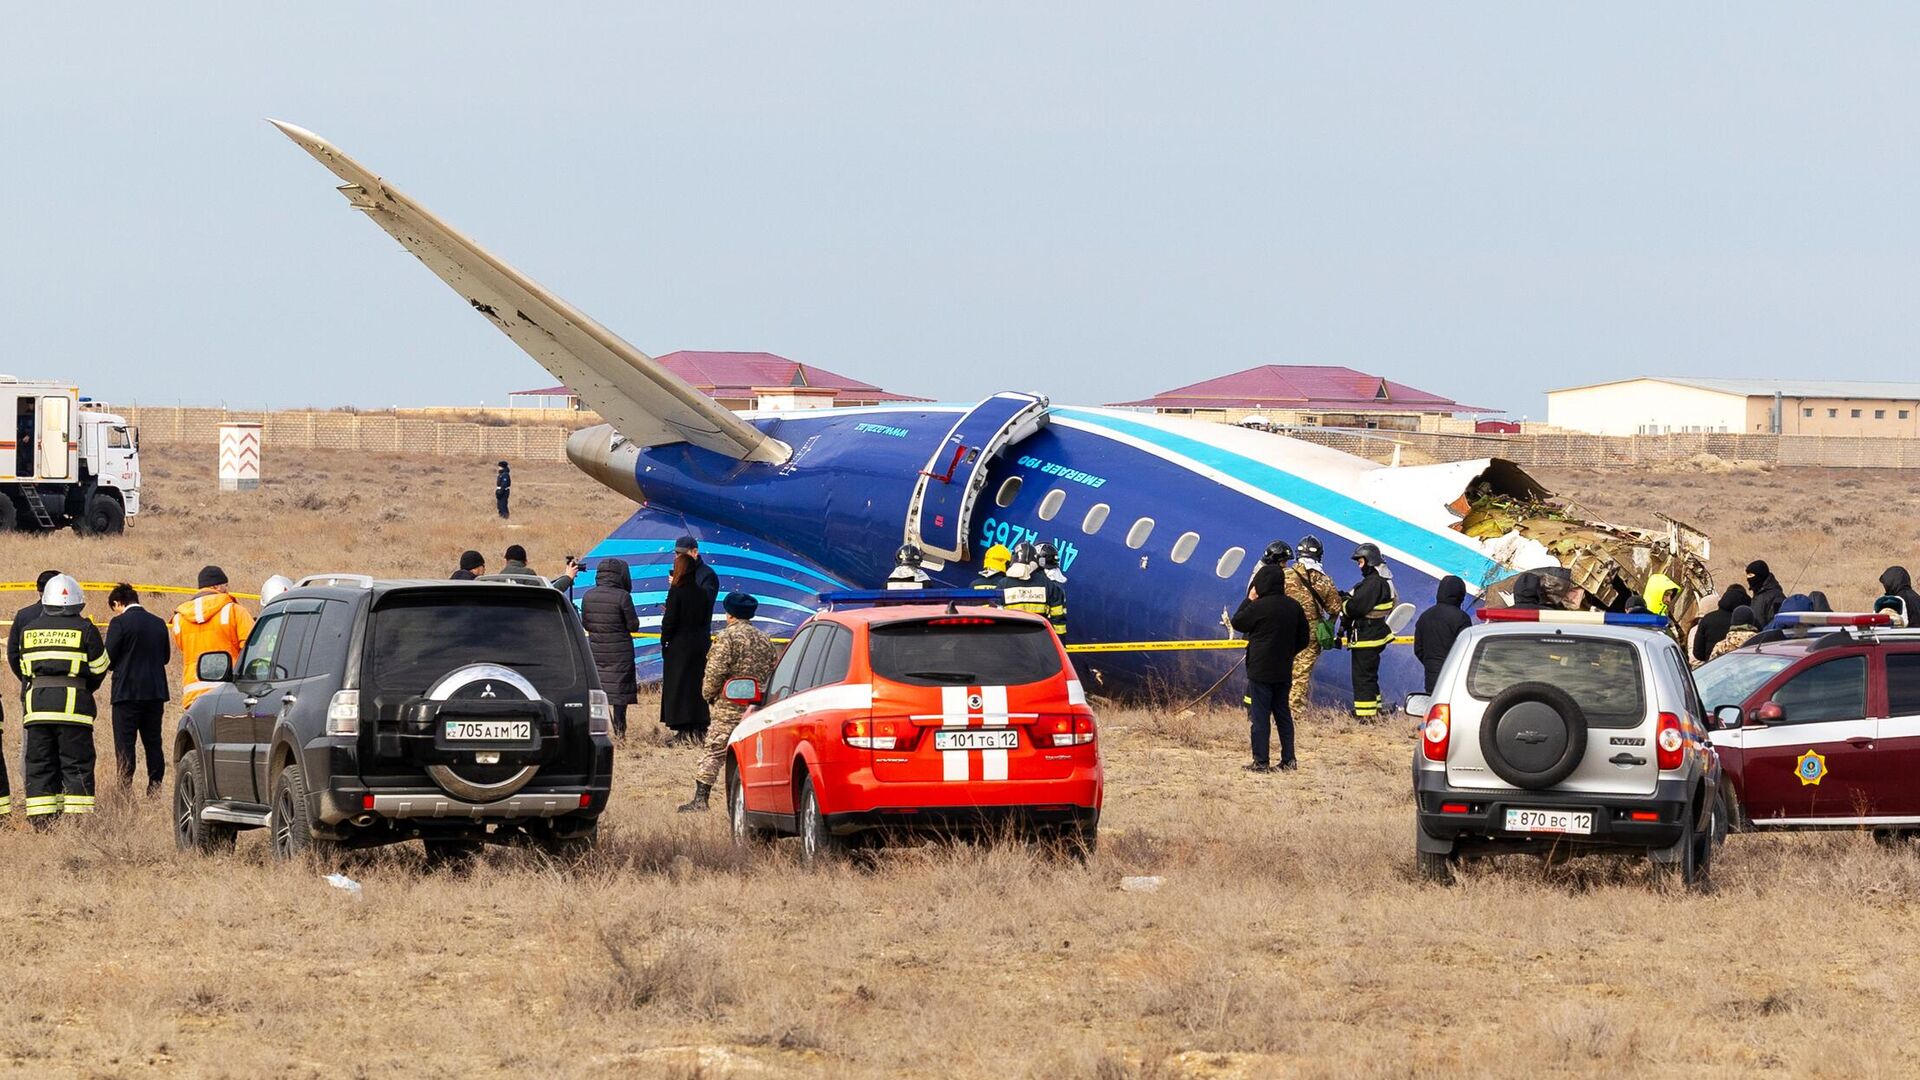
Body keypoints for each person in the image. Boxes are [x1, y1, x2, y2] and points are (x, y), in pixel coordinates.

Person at [19, 574, 109, 827]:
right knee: (76, 764)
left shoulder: (29, 631)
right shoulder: (86, 629)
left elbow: (24, 669)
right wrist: (83, 687)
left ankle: (42, 822)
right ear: (78, 604)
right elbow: (100, 667)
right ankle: (77, 823)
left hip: (36, 709)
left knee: (40, 765)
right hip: (73, 710)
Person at [679, 592, 779, 812]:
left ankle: (700, 799)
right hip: (756, 705)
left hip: (728, 704)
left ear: (730, 614)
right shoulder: (764, 638)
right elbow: (774, 668)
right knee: (754, 752)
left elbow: (715, 671)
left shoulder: (727, 637)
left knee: (714, 749)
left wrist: (708, 693)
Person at [1231, 564, 1310, 772]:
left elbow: (1237, 622)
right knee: (1283, 714)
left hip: (1260, 669)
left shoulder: (1259, 607)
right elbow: (1304, 638)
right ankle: (1289, 759)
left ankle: (1261, 761)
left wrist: (1249, 599)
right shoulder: (1293, 607)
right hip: (1283, 669)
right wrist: (1287, 652)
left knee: (1260, 716)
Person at [104, 584, 170, 793]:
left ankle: (125, 790)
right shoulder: (159, 623)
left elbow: (109, 658)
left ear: (117, 603)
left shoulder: (119, 623)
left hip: (126, 693)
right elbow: (166, 657)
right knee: (153, 742)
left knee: (125, 744)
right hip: (155, 692)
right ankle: (155, 787)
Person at [173, 566, 255, 708]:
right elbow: (251, 649)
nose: (227, 590)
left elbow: (182, 648)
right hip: (228, 691)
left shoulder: (179, 618)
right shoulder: (235, 611)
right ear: (217, 586)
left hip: (193, 694)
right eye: (226, 585)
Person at [658, 552, 714, 742]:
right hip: (699, 644)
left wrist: (664, 640)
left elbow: (670, 620)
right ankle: (698, 725)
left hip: (679, 646)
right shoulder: (702, 593)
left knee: (679, 687)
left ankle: (682, 728)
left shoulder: (676, 591)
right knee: (696, 686)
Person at [580, 557, 638, 739]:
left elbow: (586, 623)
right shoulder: (623, 596)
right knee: (619, 695)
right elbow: (633, 625)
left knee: (598, 691)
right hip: (620, 653)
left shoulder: (588, 595)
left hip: (596, 650)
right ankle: (620, 731)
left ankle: (597, 730)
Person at [1284, 537, 1343, 713]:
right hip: (1310, 633)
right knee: (1301, 673)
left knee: (1280, 669)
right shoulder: (1324, 580)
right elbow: (1335, 608)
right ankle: (1294, 711)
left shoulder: (1284, 575)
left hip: (1283, 629)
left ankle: (1275, 708)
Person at [1342, 543, 1396, 721]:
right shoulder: (1384, 582)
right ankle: (1375, 709)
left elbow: (1355, 608)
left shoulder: (1373, 583)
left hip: (1366, 636)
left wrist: (1344, 603)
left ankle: (1365, 715)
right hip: (1376, 635)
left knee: (1362, 677)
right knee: (1370, 676)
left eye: (1360, 562)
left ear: (1369, 561)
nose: (1359, 566)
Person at [1413, 576, 1472, 694]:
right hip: (1455, 678)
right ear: (1460, 596)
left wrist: (1431, 664)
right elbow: (1467, 649)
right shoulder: (1461, 618)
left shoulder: (1425, 616)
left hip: (1431, 679)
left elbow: (1418, 649)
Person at [8, 569, 63, 694]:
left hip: (32, 688)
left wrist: (26, 678)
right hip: (66, 689)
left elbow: (13, 654)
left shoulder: (24, 616)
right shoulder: (71, 615)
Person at [1003, 542, 1067, 636]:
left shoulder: (1004, 584)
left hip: (1013, 638)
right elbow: (1059, 621)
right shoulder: (1051, 586)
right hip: (1040, 638)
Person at [1692, 585, 1749, 665]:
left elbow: (1698, 653)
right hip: (1744, 667)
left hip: (1714, 668)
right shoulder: (1749, 619)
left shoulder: (1707, 619)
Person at [675, 535, 722, 608]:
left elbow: (703, 605)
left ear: (695, 552)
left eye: (684, 554)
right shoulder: (680, 572)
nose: (679, 557)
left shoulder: (708, 575)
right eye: (677, 553)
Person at [1746, 561, 1785, 627]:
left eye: (1751, 575)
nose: (1748, 578)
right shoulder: (1758, 594)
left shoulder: (1776, 596)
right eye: (1747, 575)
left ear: (1760, 575)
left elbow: (1775, 623)